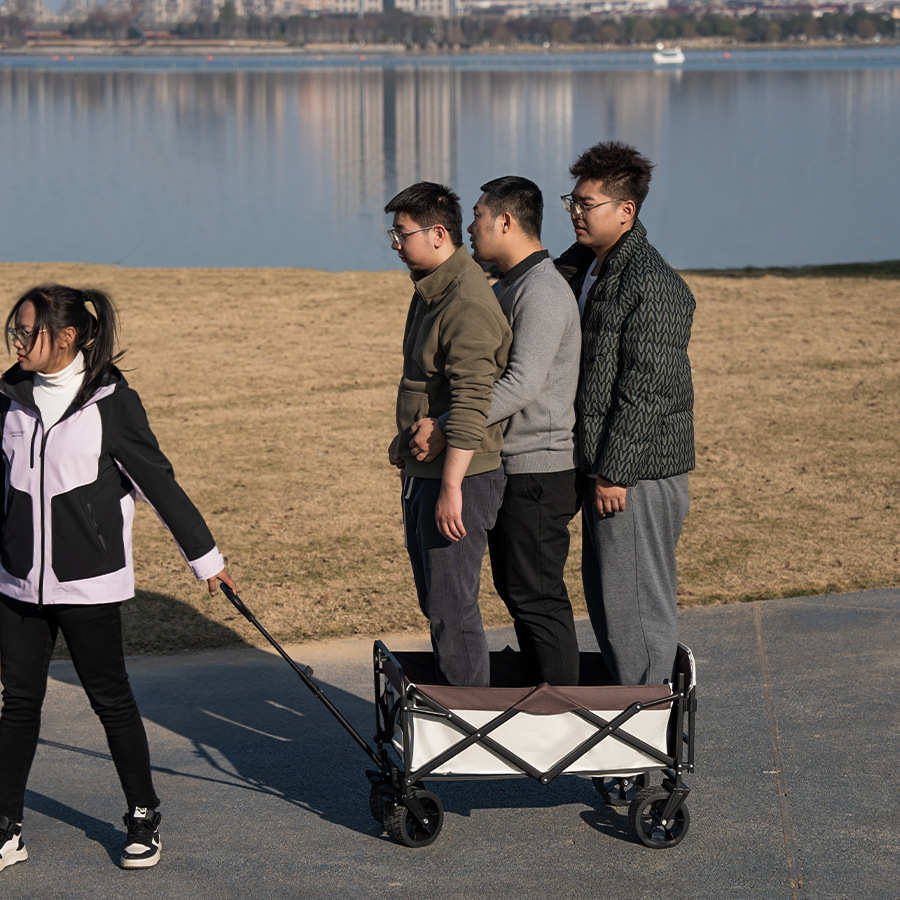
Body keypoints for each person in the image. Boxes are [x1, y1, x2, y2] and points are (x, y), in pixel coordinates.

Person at [0, 284, 235, 873]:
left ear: (67, 337)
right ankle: (6, 827)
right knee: (18, 703)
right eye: (15, 330)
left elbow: (158, 481)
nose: (18, 341)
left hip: (88, 584)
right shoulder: (8, 396)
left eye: (28, 331)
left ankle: (143, 815)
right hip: (18, 582)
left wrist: (206, 558)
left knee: (111, 700)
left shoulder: (111, 401)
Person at [408, 176, 582, 685]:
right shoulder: (506, 287)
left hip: (539, 467)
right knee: (516, 591)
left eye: (479, 216)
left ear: (505, 222)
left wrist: (447, 425)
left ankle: (564, 712)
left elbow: (521, 384)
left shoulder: (542, 290)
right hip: (512, 461)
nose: (471, 227)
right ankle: (536, 702)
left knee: (536, 596)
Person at [556, 141, 695, 686]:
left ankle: (648, 727)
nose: (575, 212)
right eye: (573, 201)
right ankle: (631, 721)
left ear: (625, 211)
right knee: (610, 605)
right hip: (605, 468)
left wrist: (615, 472)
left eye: (586, 204)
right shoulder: (587, 267)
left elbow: (647, 390)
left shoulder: (652, 284)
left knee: (635, 609)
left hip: (636, 477)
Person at [385, 182, 511, 687]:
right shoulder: (431, 288)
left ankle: (470, 723)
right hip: (428, 471)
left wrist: (453, 487)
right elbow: (428, 385)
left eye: (402, 234)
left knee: (452, 610)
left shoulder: (466, 300)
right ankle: (456, 713)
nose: (395, 244)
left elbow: (474, 400)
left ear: (438, 234)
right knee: (437, 603)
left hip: (460, 477)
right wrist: (404, 441)